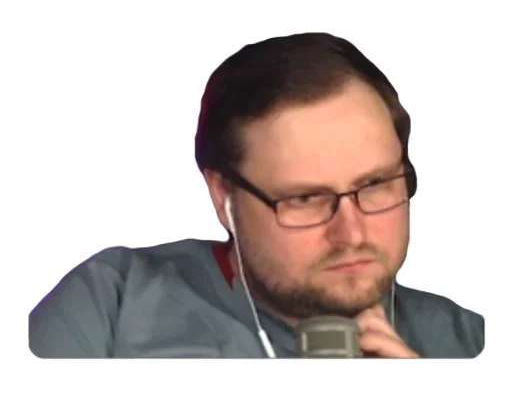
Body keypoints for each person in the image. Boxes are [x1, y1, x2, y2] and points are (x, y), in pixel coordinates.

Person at [29, 32, 485, 358]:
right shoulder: (109, 305)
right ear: (222, 196)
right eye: (304, 199)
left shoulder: (469, 344)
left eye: (375, 185)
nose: (351, 234)